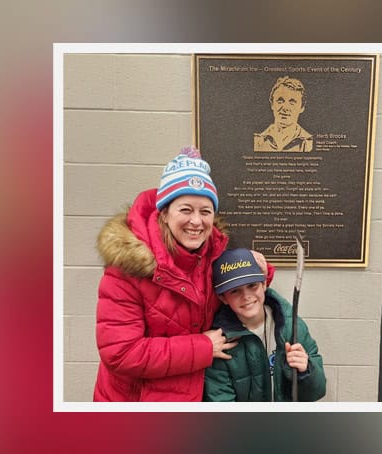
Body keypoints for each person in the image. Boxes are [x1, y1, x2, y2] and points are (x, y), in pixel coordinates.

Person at [93, 146, 274, 401]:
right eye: (186, 210)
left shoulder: (212, 255)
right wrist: (202, 347)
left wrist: (262, 272)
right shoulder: (125, 270)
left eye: (205, 211)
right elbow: (121, 352)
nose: (196, 221)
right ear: (165, 213)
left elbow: (232, 289)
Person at [204, 248, 326, 401]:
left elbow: (317, 392)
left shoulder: (291, 326)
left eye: (252, 285)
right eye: (235, 291)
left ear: (264, 284)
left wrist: (306, 371)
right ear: (223, 298)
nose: (246, 296)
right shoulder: (220, 344)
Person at [254, 76, 314, 152]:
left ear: (302, 107)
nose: (285, 108)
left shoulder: (309, 144)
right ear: (272, 104)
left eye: (292, 102)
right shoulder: (257, 141)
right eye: (280, 101)